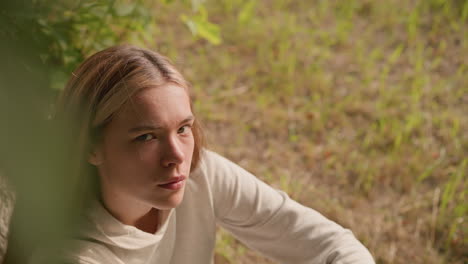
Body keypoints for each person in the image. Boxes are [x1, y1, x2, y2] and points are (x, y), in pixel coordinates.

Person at [52, 45, 375, 264]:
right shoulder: (74, 254)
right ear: (91, 146)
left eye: (183, 128)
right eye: (146, 137)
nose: (176, 155)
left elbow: (332, 244)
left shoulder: (197, 176)